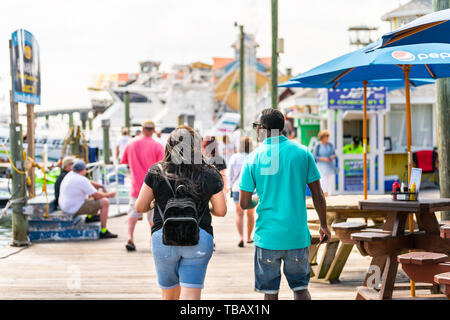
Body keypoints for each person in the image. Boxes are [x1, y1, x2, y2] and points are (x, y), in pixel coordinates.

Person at [239, 108, 331, 300]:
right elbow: (318, 194)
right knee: (301, 289)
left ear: (263, 128)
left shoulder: (253, 158)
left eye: (256, 126)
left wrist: (259, 199)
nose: (256, 130)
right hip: (296, 235)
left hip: (267, 237)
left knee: (270, 293)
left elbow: (244, 203)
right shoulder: (302, 153)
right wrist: (324, 224)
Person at [135, 125, 227, 300]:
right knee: (191, 297)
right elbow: (221, 211)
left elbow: (140, 207)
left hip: (164, 238)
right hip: (199, 237)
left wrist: (155, 204)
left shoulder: (157, 171)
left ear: (169, 145)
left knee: (169, 296)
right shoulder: (210, 173)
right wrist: (206, 207)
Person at [121, 120, 165, 251]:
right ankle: (152, 241)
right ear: (153, 130)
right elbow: (163, 166)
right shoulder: (157, 146)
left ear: (142, 128)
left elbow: (124, 161)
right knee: (153, 218)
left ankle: (130, 238)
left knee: (133, 214)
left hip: (136, 186)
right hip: (153, 187)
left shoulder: (131, 143)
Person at [58, 160, 118, 239]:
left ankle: (90, 217)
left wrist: (100, 186)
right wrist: (109, 195)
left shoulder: (70, 175)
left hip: (65, 206)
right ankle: (103, 231)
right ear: (83, 170)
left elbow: (89, 182)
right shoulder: (81, 180)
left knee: (91, 192)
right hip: (73, 208)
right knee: (105, 202)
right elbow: (97, 195)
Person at [55, 156, 107, 223]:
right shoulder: (69, 175)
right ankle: (93, 219)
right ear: (68, 166)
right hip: (66, 205)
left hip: (65, 202)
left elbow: (87, 182)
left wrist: (100, 186)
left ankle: (91, 216)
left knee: (90, 191)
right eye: (73, 164)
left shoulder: (68, 174)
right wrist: (108, 194)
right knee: (100, 199)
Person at [226, 136, 255, 248]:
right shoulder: (253, 156)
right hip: (252, 189)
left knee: (239, 213)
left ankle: (241, 237)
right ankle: (249, 237)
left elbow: (230, 174)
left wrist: (228, 187)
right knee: (250, 214)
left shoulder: (234, 157)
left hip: (237, 188)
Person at [313, 130, 337, 197]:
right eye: (326, 136)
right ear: (322, 137)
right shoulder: (318, 146)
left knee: (329, 180)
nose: (327, 137)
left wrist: (332, 156)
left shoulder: (330, 145)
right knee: (323, 180)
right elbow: (315, 156)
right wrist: (323, 159)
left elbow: (334, 154)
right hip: (321, 166)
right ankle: (324, 194)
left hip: (329, 165)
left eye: (328, 136)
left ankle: (328, 194)